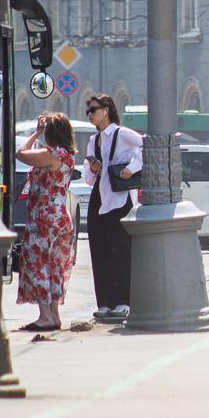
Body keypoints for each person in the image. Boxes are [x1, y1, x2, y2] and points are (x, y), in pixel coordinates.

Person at [14, 112, 78, 330]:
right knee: (54, 266)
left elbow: (20, 153)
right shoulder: (67, 155)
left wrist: (36, 133)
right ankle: (54, 316)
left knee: (37, 263)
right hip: (61, 216)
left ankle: (45, 317)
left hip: (45, 216)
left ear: (50, 133)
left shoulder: (52, 154)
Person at [82, 95, 142, 321]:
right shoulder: (93, 140)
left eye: (94, 109)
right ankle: (104, 302)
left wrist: (133, 167)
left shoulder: (122, 133)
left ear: (106, 110)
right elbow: (89, 178)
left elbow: (146, 146)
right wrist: (94, 169)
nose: (90, 114)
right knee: (99, 251)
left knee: (120, 251)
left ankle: (123, 301)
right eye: (88, 111)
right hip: (99, 198)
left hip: (119, 199)